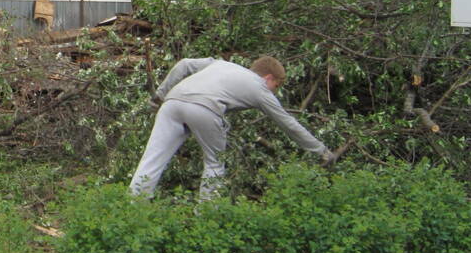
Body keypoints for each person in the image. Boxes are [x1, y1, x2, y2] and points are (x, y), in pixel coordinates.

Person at [128, 55, 333, 199]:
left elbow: (184, 64)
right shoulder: (260, 88)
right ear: (268, 78)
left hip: (172, 103)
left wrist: (160, 96)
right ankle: (207, 218)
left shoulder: (222, 65)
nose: (275, 92)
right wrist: (321, 150)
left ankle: (132, 207)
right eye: (276, 86)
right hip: (205, 109)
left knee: (152, 159)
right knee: (215, 164)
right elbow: (289, 125)